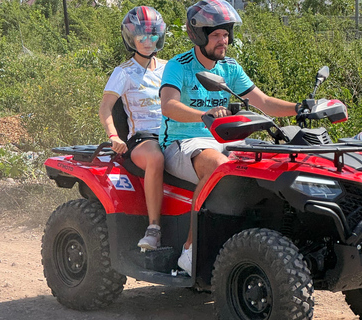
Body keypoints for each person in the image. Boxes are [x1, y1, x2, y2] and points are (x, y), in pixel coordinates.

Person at [159, 0, 299, 276]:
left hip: (225, 141)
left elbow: (264, 102)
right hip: (183, 143)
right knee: (220, 168)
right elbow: (169, 106)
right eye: (216, 35)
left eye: (226, 34)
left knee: (272, 165)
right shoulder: (179, 66)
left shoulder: (230, 68)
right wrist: (204, 114)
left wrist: (300, 108)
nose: (224, 41)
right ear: (198, 36)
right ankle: (189, 252)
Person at [99, 6, 167, 250]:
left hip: (172, 134)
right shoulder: (123, 72)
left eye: (152, 35)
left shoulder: (169, 68)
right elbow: (105, 108)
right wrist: (114, 136)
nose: (148, 41)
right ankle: (154, 228)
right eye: (142, 36)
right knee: (156, 159)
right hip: (142, 139)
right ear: (131, 38)